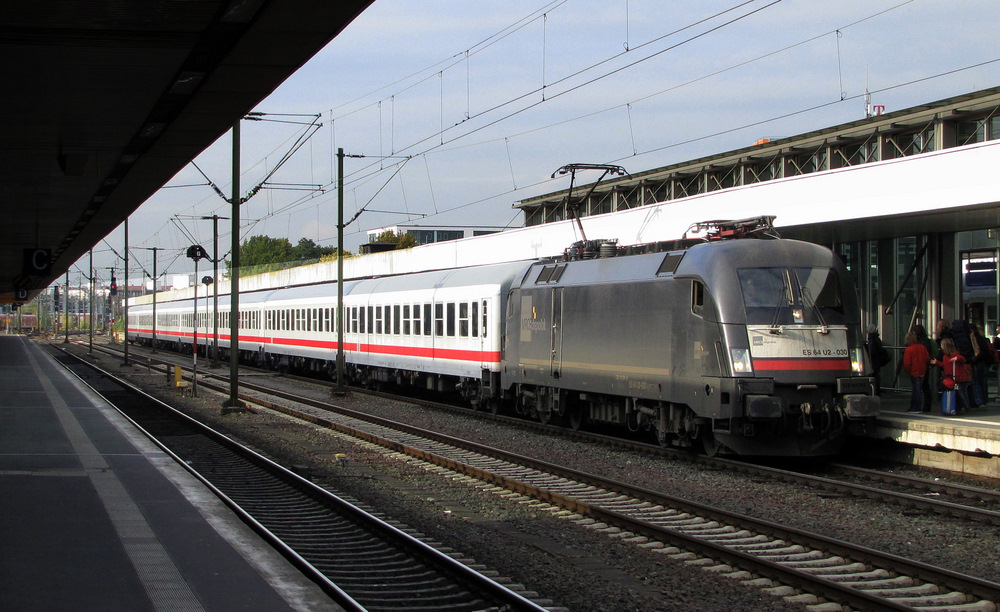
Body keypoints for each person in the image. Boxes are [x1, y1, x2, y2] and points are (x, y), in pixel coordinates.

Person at [933, 338, 970, 415]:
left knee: (962, 393)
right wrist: (937, 362)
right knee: (959, 393)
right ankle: (960, 407)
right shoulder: (946, 356)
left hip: (958, 378)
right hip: (952, 377)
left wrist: (957, 358)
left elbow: (962, 359)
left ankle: (966, 407)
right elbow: (945, 365)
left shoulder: (953, 354)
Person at [902, 330, 930, 413]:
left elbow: (907, 363)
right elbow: (927, 358)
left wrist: (907, 372)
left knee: (916, 390)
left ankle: (916, 407)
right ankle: (914, 406)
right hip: (922, 370)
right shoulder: (922, 347)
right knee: (918, 389)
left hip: (914, 371)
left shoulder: (909, 349)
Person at [913, 324, 936, 412]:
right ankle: (926, 405)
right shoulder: (925, 341)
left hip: (922, 366)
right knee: (924, 386)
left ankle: (924, 406)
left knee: (923, 386)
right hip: (924, 365)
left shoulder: (921, 342)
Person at [970, 324, 994, 407]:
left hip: (978, 362)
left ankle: (979, 400)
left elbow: (980, 352)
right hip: (984, 362)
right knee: (983, 382)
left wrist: (974, 360)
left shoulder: (975, 338)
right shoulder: (982, 338)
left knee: (977, 382)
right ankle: (984, 400)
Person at [865, 324, 889, 396]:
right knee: (876, 376)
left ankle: (875, 392)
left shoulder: (872, 340)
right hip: (876, 362)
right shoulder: (876, 339)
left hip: (874, 362)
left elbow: (872, 352)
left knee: (874, 377)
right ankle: (876, 391)